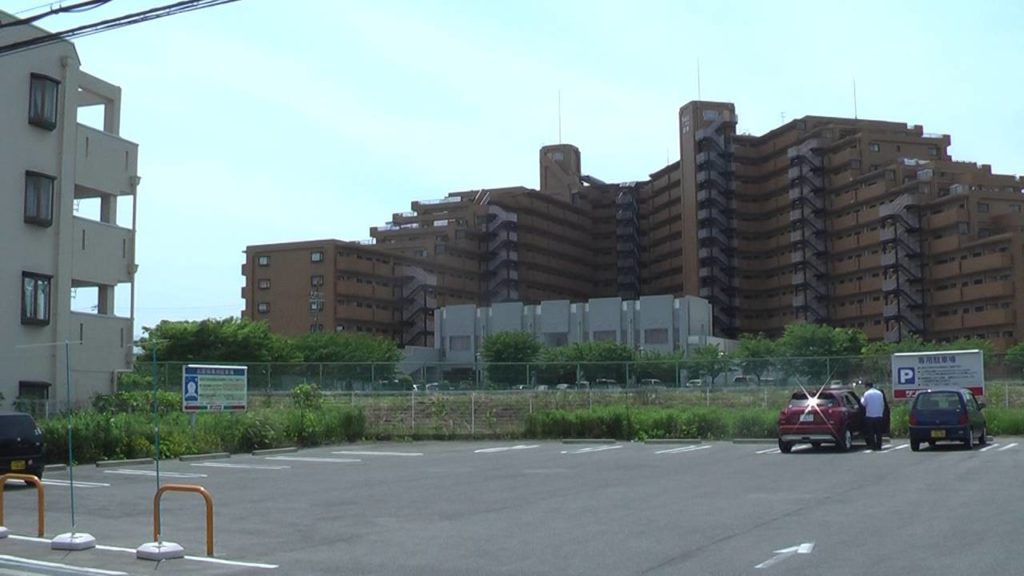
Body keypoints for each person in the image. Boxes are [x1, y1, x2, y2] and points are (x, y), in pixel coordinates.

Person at [860, 380, 885, 450]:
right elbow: (882, 404)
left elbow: (864, 404)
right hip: (879, 415)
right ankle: (879, 446)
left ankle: (873, 446)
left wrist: (861, 399)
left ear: (867, 386)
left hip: (870, 415)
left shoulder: (866, 394)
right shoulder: (879, 393)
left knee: (871, 432)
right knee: (879, 432)